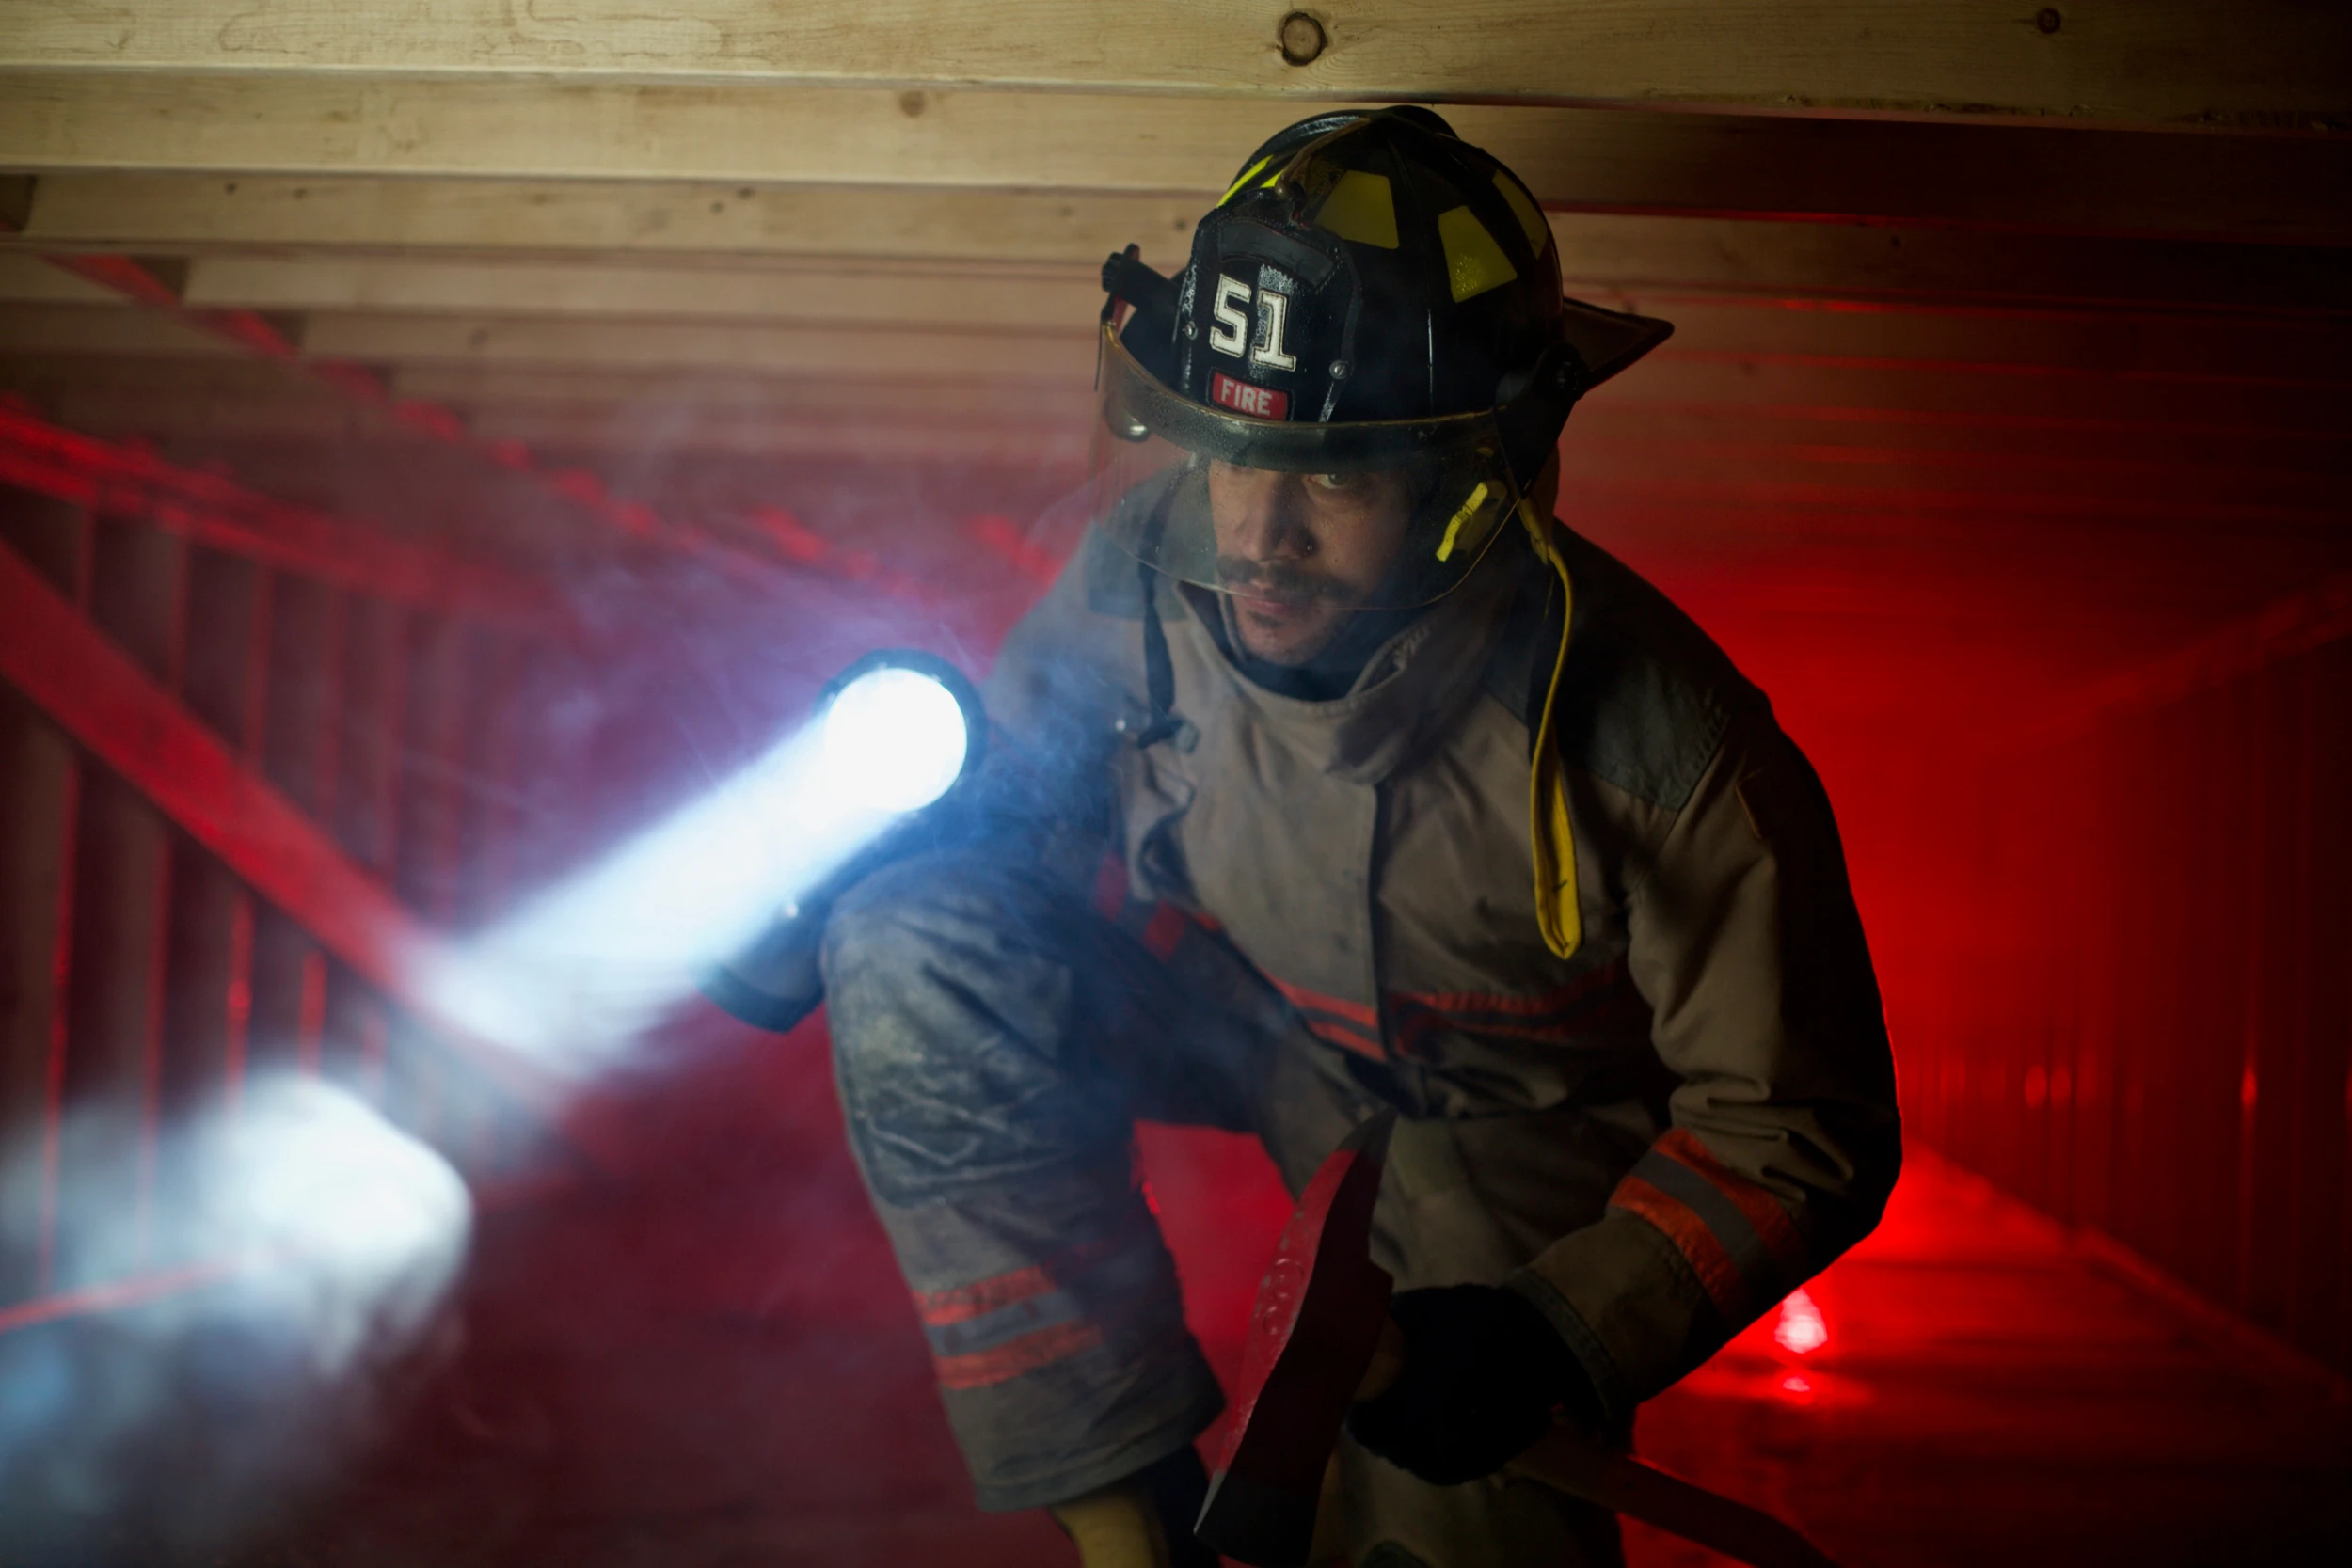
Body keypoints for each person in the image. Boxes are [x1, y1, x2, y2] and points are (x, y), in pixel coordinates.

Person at [765, 107, 1901, 1567]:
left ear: (1477, 474)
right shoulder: (1138, 584)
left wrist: (1557, 1330)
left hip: (1517, 1126)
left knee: (1449, 1522)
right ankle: (1130, 1530)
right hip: (1259, 1028)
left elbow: (1796, 1124)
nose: (1258, 532)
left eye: (1338, 475)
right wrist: (866, 869)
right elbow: (1021, 839)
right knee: (911, 944)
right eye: (1230, 452)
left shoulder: (1657, 746)